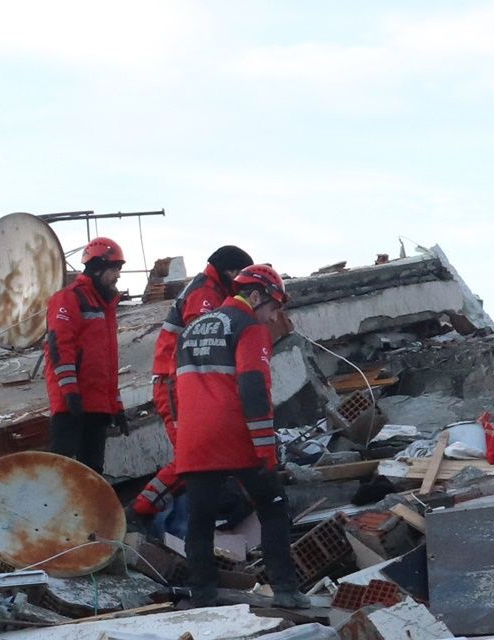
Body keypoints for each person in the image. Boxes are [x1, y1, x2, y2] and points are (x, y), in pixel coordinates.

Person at [162, 263, 303, 607]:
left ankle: (203, 597)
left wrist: (183, 437)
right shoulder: (249, 328)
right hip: (236, 437)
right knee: (274, 509)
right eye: (273, 307)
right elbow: (254, 389)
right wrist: (266, 451)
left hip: (195, 441)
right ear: (255, 297)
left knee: (201, 520)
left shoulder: (190, 330)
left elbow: (171, 391)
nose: (273, 318)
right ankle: (285, 591)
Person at [44, 236, 129, 474]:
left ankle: (88, 512)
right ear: (98, 268)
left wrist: (117, 405)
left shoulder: (105, 306)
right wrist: (70, 393)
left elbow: (107, 365)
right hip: (72, 405)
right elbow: (60, 347)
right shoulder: (70, 298)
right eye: (115, 269)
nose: (118, 275)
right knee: (64, 473)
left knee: (91, 474)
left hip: (97, 405)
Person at [151, 244, 252, 440]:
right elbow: (202, 344)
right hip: (174, 382)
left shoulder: (211, 289)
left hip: (179, 379)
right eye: (242, 276)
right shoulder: (204, 293)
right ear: (231, 272)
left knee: (199, 451)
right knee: (191, 451)